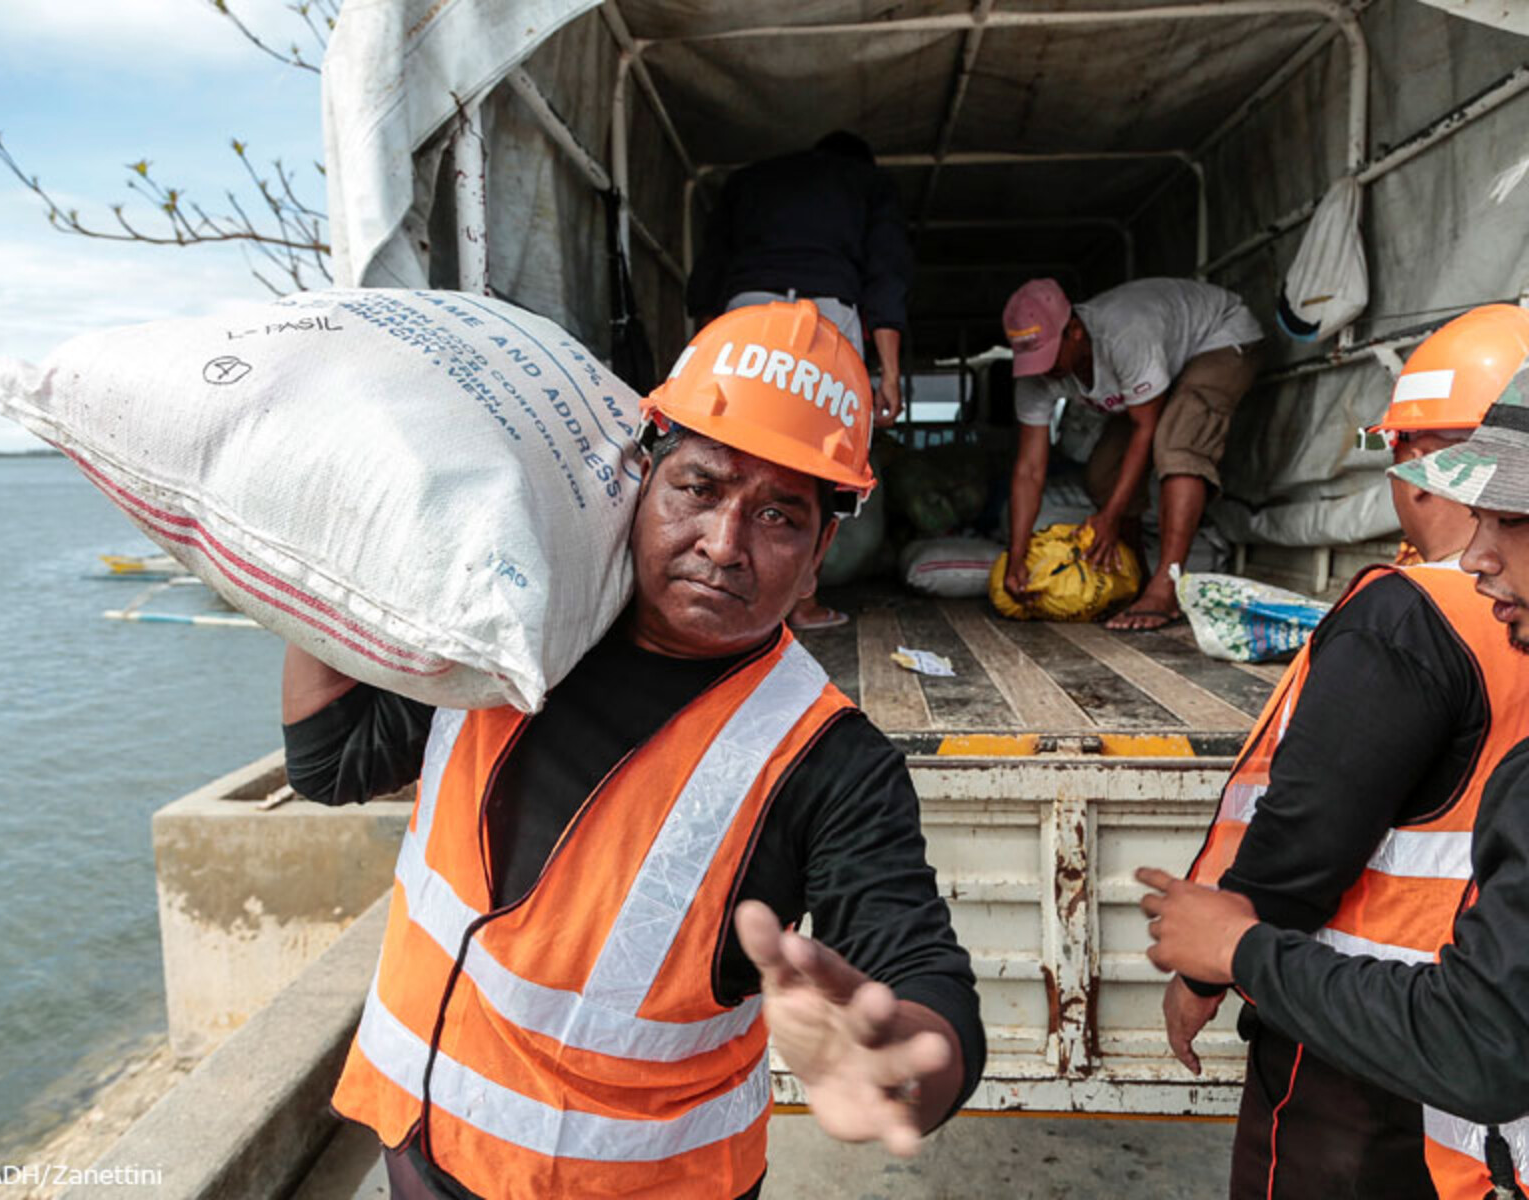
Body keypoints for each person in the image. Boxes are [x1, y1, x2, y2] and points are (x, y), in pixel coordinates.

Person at [282, 299, 983, 1200]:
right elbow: (331, 762)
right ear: (641, 478)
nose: (724, 544)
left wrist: (902, 1064)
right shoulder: (517, 620)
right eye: (701, 486)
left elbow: (917, 966)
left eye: (779, 516)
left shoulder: (828, 761)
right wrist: (322, 545)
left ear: (821, 554)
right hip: (420, 1142)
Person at [1138, 339, 1529, 1200]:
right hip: (1472, 1064)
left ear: (1423, 466)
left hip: (1356, 1047)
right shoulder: (1499, 623)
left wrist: (1219, 960)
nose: (1485, 556)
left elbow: (1305, 837)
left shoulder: (1408, 615)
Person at [687, 130, 911, 631]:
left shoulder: (748, 181)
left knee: (730, 452)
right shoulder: (868, 183)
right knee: (819, 463)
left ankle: (721, 594)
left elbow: (708, 273)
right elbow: (886, 275)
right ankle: (802, 604)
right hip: (828, 318)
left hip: (745, 311)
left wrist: (704, 355)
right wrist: (889, 375)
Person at [1001, 276, 1264, 630]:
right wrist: (1016, 557)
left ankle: (1166, 589)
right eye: (1033, 360)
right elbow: (1029, 469)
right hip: (1158, 369)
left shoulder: (1123, 334)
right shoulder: (1036, 375)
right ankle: (1135, 578)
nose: (1043, 370)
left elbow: (1146, 428)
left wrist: (1110, 517)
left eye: (1048, 355)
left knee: (1177, 444)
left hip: (1220, 339)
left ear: (1075, 330)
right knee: (1102, 473)